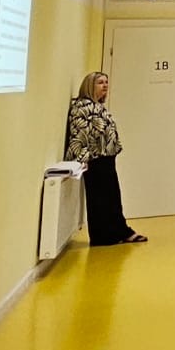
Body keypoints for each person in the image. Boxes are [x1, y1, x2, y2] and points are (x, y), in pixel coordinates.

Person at [65, 72, 147, 245]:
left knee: (112, 198)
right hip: (94, 159)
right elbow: (79, 134)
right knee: (99, 199)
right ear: (90, 85)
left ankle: (119, 231)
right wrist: (83, 159)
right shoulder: (82, 107)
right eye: (100, 82)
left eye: (106, 82)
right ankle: (104, 236)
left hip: (107, 158)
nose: (105, 86)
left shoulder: (99, 106)